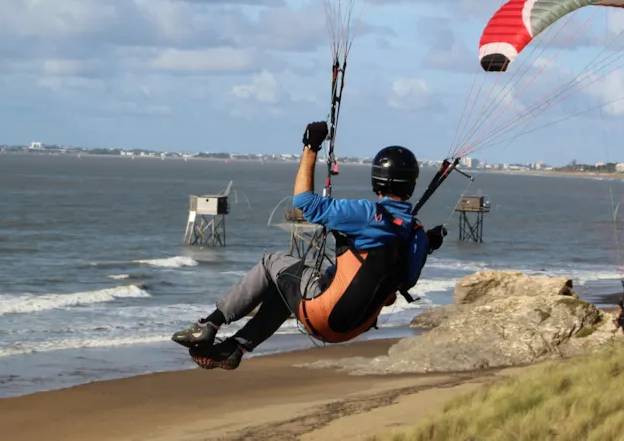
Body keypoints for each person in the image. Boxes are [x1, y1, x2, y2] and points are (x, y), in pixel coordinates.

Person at [171, 121, 446, 370]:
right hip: (351, 329)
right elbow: (400, 286)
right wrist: (426, 244)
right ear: (411, 184)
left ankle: (209, 325)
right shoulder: (417, 236)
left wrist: (311, 146)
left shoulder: (366, 214)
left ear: (377, 180)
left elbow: (304, 203)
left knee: (272, 263)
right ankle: (235, 347)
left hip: (325, 314)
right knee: (287, 283)